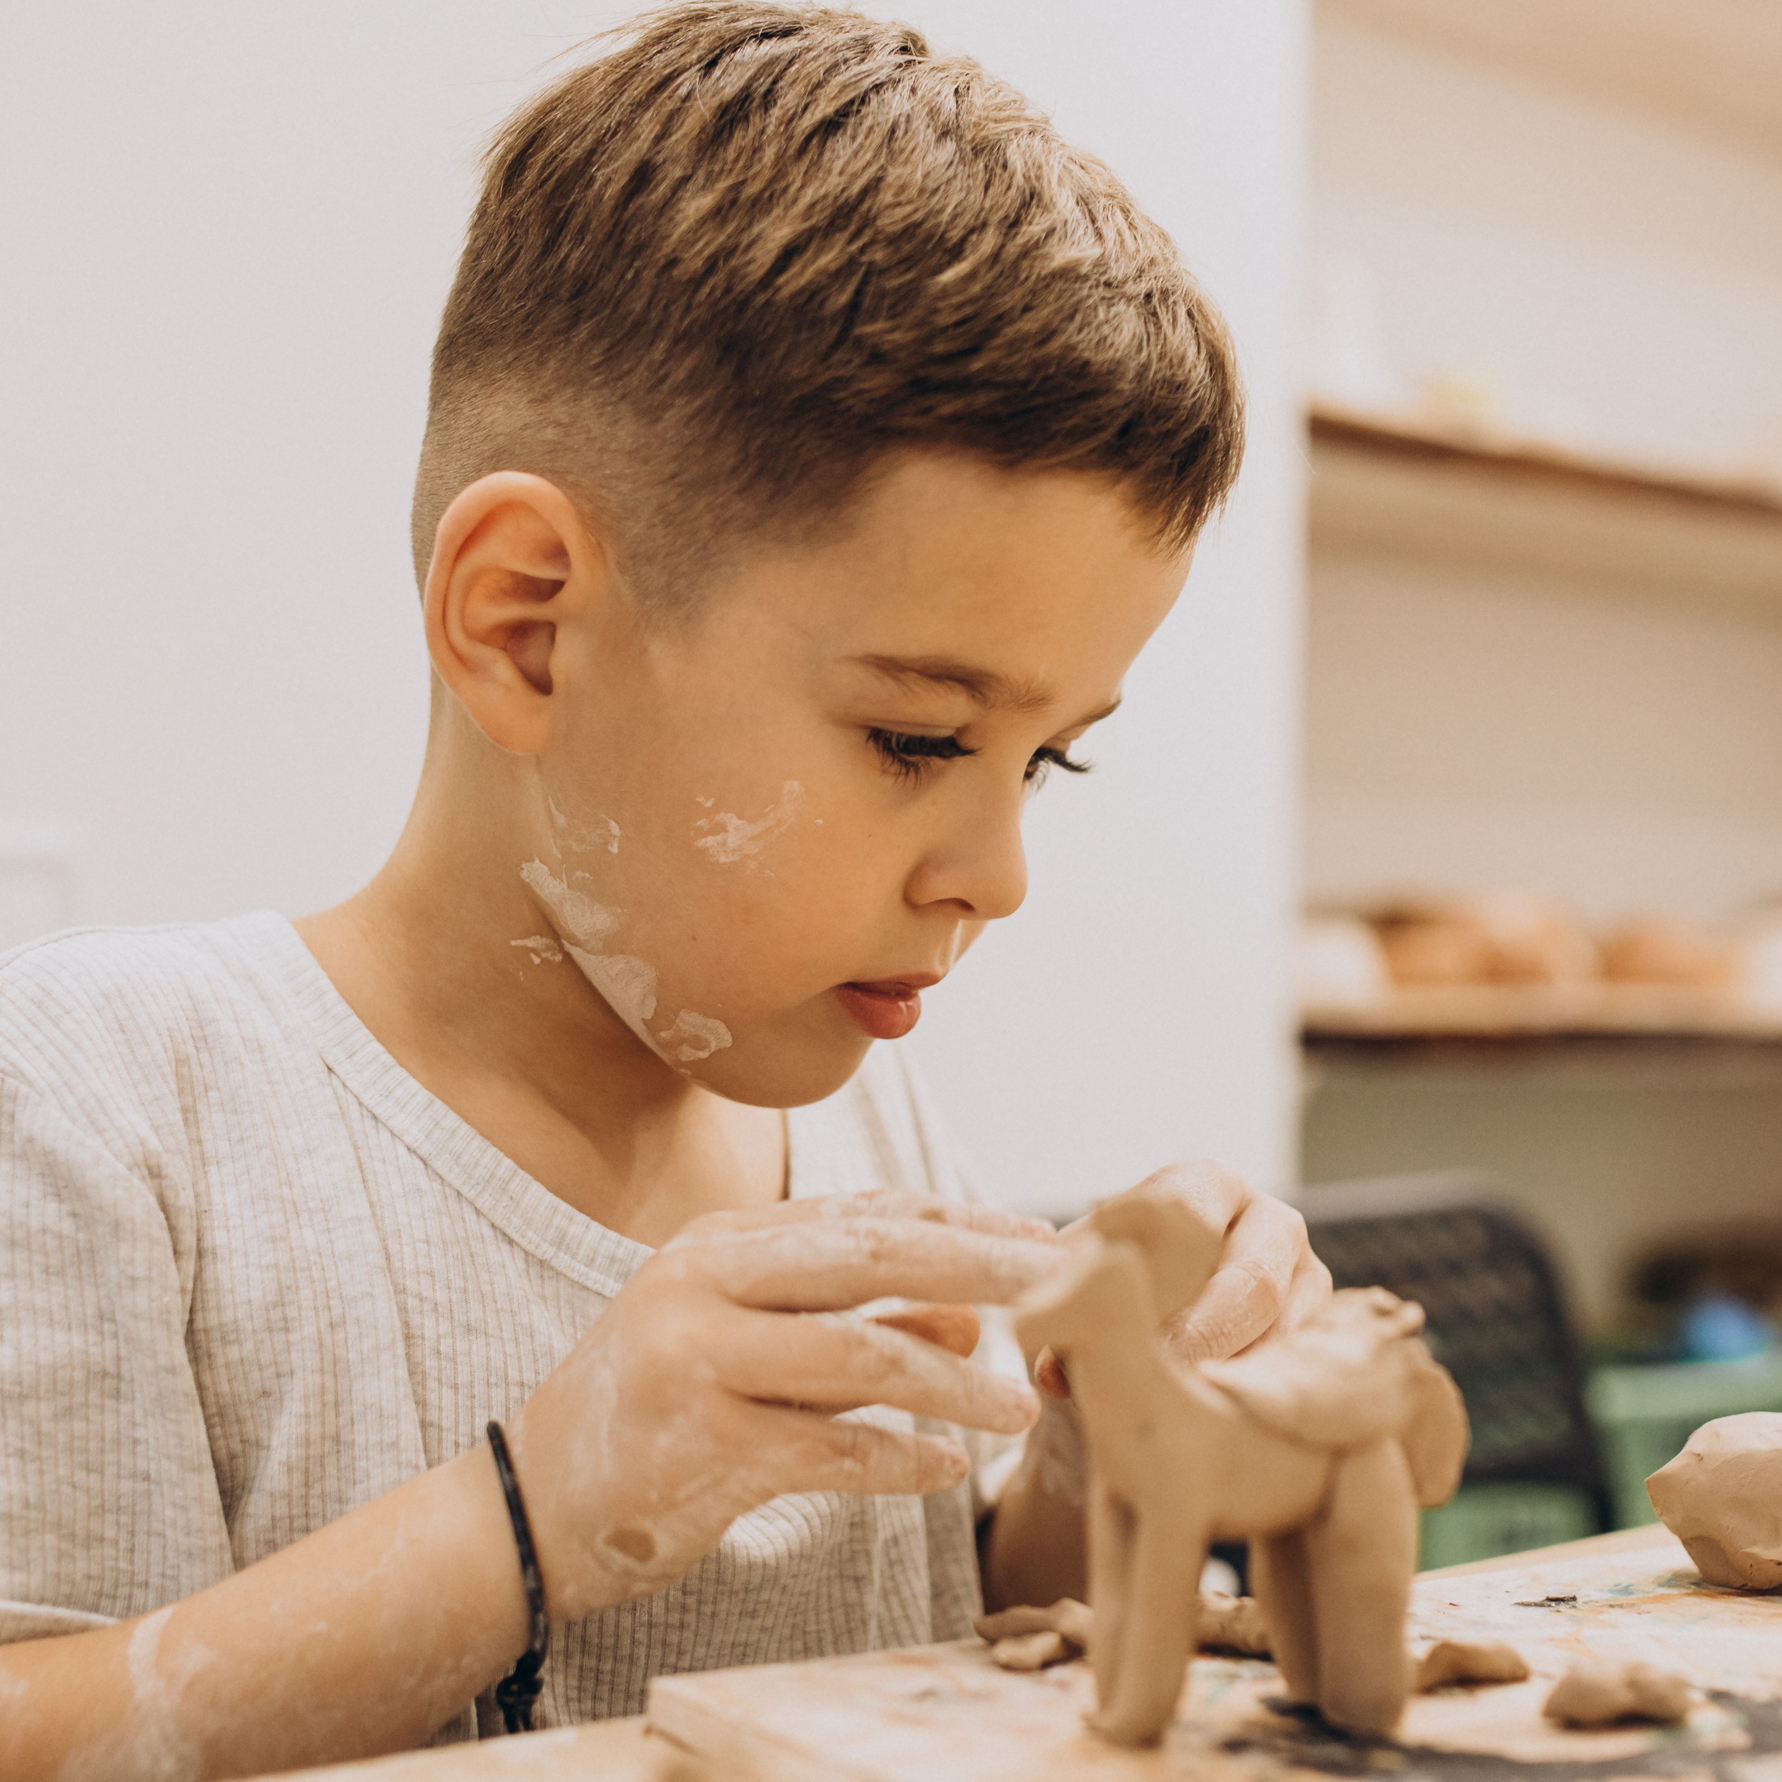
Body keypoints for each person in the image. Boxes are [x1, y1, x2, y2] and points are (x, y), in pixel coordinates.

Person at [0, 5, 1328, 1776]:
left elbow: (959, 1637)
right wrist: (539, 1515)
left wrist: (1104, 1445)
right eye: (920, 737)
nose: (999, 875)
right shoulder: (106, 1096)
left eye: (1051, 757)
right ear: (526, 625)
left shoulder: (860, 1132)